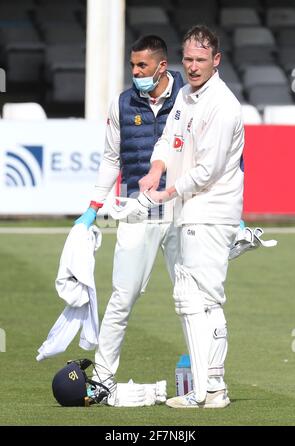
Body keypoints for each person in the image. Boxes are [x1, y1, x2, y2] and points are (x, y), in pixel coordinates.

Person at [136, 25, 245, 408]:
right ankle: (213, 388)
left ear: (216, 60)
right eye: (189, 59)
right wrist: (156, 167)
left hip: (210, 209)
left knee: (192, 298)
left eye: (201, 59)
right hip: (191, 209)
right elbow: (169, 137)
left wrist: (169, 190)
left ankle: (203, 392)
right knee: (206, 300)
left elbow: (209, 169)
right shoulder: (184, 94)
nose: (194, 66)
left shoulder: (223, 105)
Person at [75, 35, 184, 381]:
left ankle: (209, 379)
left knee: (192, 297)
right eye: (133, 65)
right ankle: (103, 379)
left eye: (142, 66)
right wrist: (93, 208)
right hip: (138, 210)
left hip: (183, 209)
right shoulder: (121, 104)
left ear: (161, 66)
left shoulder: (190, 97)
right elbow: (111, 160)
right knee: (122, 297)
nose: (135, 72)